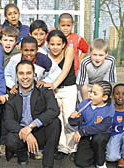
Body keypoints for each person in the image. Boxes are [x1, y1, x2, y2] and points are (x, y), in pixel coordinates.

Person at [5, 60, 61, 168]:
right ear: (16, 76)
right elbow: (8, 121)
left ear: (34, 75)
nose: (25, 77)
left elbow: (54, 110)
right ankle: (22, 156)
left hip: (39, 131)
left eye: (28, 73)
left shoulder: (44, 90)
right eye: (21, 73)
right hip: (21, 133)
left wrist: (31, 126)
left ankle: (48, 164)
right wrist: (26, 132)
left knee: (55, 123)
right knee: (10, 139)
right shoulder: (12, 95)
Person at [0, 26, 20, 159]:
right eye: (5, 40)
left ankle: (3, 143)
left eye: (11, 40)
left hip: (10, 91)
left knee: (6, 118)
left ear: (16, 42)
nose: (8, 43)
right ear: (0, 40)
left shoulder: (17, 54)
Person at [68, 81, 115, 168]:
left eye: (95, 93)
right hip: (86, 134)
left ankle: (101, 162)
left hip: (101, 133)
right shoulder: (85, 103)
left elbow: (103, 126)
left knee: (98, 140)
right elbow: (73, 123)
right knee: (81, 163)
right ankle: (94, 153)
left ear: (104, 97)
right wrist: (73, 118)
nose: (91, 95)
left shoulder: (110, 108)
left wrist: (82, 132)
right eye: (91, 92)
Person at [46, 30, 77, 159]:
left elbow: (64, 71)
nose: (55, 47)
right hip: (54, 91)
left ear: (64, 44)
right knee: (58, 119)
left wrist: (53, 85)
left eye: (58, 44)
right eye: (52, 44)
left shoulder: (69, 51)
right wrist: (52, 90)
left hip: (68, 88)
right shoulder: (46, 55)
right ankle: (62, 147)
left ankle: (73, 148)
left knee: (68, 118)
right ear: (48, 44)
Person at [106, 83, 124, 167]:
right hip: (113, 137)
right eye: (117, 94)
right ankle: (120, 150)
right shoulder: (108, 110)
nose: (120, 97)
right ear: (113, 96)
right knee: (111, 158)